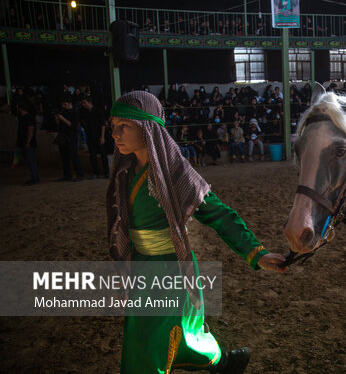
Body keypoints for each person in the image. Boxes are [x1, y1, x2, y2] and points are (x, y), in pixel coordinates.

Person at [107, 91, 287, 374]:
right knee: (172, 336)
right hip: (141, 269)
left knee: (145, 345)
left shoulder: (176, 175)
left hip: (169, 271)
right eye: (113, 126)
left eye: (124, 126)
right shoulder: (125, 171)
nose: (115, 134)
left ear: (148, 129)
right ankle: (223, 362)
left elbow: (220, 215)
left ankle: (221, 361)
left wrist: (257, 253)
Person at [54, 98, 84, 181]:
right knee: (64, 156)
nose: (63, 106)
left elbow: (73, 125)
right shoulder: (63, 111)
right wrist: (57, 118)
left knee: (74, 155)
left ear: (69, 103)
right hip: (63, 135)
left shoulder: (74, 112)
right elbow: (58, 124)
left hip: (71, 135)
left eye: (65, 104)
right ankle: (67, 175)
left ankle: (79, 174)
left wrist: (62, 118)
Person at [80, 96, 109, 179]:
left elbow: (103, 124)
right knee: (92, 156)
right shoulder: (85, 113)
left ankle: (106, 172)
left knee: (103, 155)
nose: (83, 105)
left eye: (84, 103)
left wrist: (102, 136)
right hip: (90, 137)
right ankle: (95, 173)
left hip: (99, 136)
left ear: (89, 102)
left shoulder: (98, 111)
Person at [16, 101, 39, 185]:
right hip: (24, 142)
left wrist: (28, 142)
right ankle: (34, 177)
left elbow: (30, 130)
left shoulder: (29, 118)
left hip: (28, 143)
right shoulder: (22, 117)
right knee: (29, 160)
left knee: (30, 160)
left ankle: (34, 178)